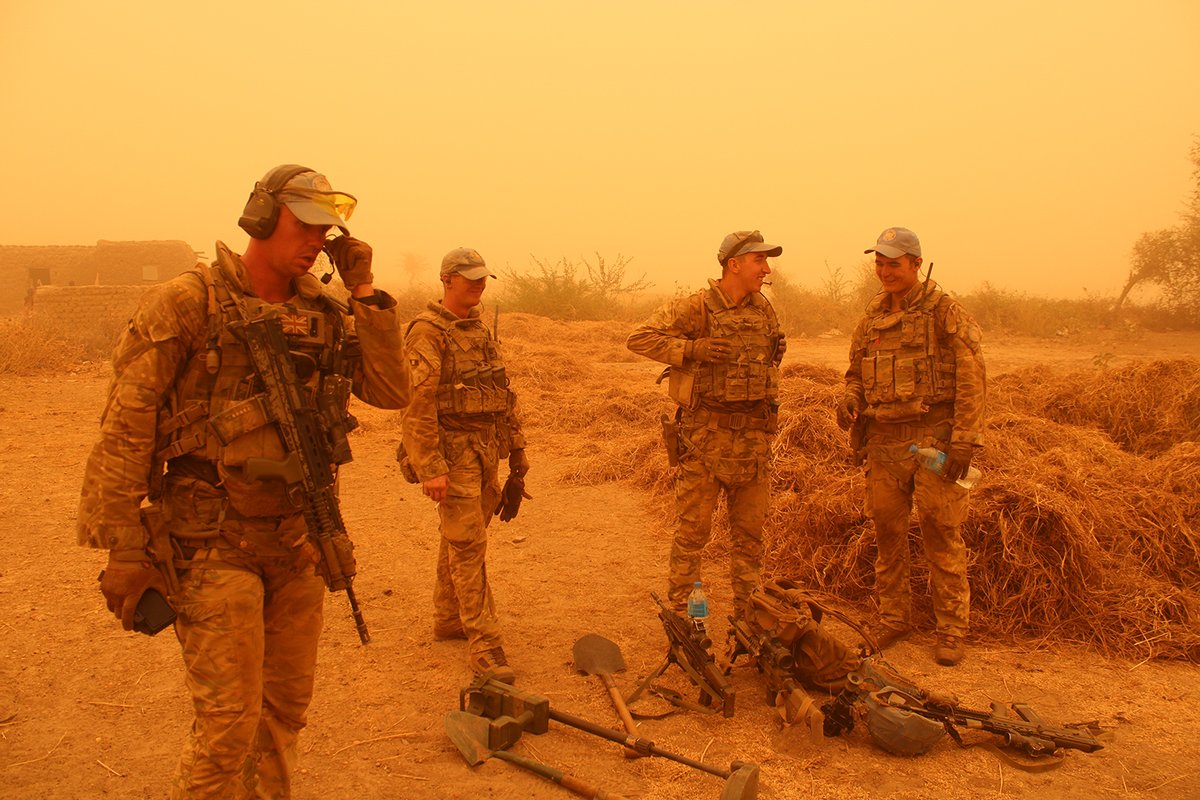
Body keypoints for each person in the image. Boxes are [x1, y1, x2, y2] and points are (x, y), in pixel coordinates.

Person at [76, 164, 411, 798]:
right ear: (260, 218)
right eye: (303, 224)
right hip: (212, 544)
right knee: (227, 728)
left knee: (283, 715)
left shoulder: (324, 311)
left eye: (326, 231)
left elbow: (392, 390)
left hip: (299, 543)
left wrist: (364, 290)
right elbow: (126, 426)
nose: (316, 241)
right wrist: (123, 546)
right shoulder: (189, 301)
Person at [837, 226, 986, 667]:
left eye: (894, 264)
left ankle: (952, 629)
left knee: (942, 533)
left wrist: (964, 441)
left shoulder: (945, 312)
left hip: (933, 440)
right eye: (880, 264)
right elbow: (855, 374)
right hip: (884, 442)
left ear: (916, 264)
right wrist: (850, 400)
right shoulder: (871, 318)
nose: (885, 272)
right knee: (887, 535)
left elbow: (972, 377)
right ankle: (894, 618)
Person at [627, 230, 785, 618]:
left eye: (766, 261)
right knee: (692, 535)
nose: (766, 269)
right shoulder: (696, 307)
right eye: (759, 260)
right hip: (705, 441)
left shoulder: (764, 311)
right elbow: (639, 338)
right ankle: (683, 617)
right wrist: (690, 349)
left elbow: (767, 362)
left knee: (749, 538)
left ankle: (748, 618)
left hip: (753, 443)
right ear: (734, 264)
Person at [399, 247, 528, 684]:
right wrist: (430, 465)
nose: (478, 285)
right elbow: (417, 404)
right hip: (452, 455)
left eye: (482, 277)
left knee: (460, 536)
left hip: (485, 448)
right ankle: (485, 644)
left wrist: (518, 450)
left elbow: (502, 393)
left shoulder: (478, 329)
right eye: (469, 277)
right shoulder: (427, 332)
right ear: (447, 279)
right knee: (469, 543)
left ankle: (448, 617)